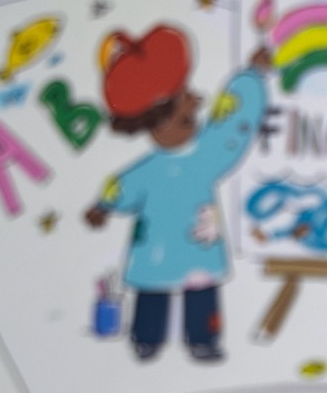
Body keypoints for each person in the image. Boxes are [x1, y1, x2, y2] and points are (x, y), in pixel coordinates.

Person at [84, 25, 269, 362]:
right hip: (156, 249)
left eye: (189, 117)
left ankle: (203, 339)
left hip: (196, 247)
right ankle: (147, 338)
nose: (190, 121)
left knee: (201, 294)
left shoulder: (205, 153)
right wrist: (104, 205)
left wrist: (251, 76)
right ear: (151, 126)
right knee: (152, 293)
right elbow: (123, 186)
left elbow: (232, 123)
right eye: (181, 119)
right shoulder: (151, 169)